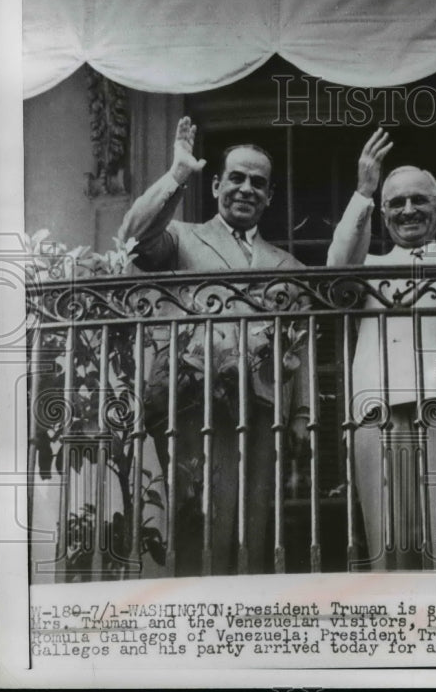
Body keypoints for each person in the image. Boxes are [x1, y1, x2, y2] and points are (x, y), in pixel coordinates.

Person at [118, 116, 310, 576]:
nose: (246, 189)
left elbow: (299, 343)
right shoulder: (183, 237)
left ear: (269, 196)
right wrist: (178, 172)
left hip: (263, 412)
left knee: (255, 528)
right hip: (194, 408)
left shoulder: (288, 264)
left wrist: (301, 416)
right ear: (217, 184)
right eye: (237, 178)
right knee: (198, 526)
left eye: (258, 183)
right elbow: (134, 237)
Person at [327, 129, 436, 570]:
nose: (408, 210)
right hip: (377, 408)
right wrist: (363, 191)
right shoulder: (369, 267)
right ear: (382, 215)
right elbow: (335, 273)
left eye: (419, 200)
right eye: (396, 203)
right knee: (386, 541)